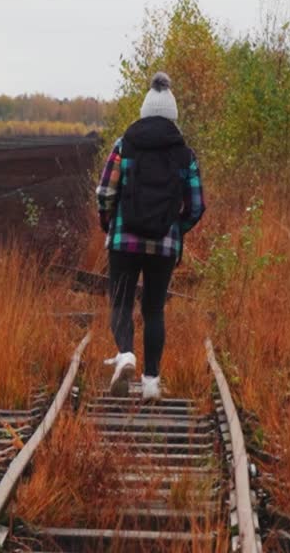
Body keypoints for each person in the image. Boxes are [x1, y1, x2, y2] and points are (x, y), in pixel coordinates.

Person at [96, 72, 205, 400]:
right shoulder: (184, 154)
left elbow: (104, 191)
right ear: (173, 114)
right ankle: (152, 382)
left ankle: (126, 354)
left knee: (121, 302)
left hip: (123, 241)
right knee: (154, 309)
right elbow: (197, 206)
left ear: (144, 110)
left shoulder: (124, 144)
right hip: (164, 244)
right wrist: (175, 227)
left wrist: (108, 222)